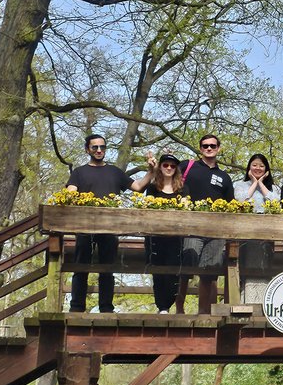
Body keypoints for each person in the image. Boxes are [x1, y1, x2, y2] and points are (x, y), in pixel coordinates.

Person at [65, 134, 154, 313]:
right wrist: (73, 197)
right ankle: (76, 308)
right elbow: (70, 192)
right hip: (84, 226)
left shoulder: (114, 172)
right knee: (81, 267)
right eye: (95, 147)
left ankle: (106, 308)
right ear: (87, 150)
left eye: (102, 147)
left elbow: (137, 187)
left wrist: (151, 171)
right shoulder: (79, 172)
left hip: (110, 227)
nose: (99, 150)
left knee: (107, 269)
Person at [177, 134, 235, 314]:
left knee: (209, 273)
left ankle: (204, 312)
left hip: (216, 231)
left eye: (212, 146)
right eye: (205, 146)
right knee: (186, 268)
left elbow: (230, 205)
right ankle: (179, 308)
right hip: (191, 228)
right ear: (200, 148)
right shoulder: (188, 166)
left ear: (218, 148)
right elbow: (167, 179)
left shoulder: (224, 177)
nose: (209, 149)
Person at [234, 153, 278, 302]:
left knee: (264, 267)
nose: (258, 168)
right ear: (249, 167)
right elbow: (241, 200)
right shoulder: (239, 185)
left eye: (261, 165)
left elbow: (275, 203)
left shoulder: (273, 187)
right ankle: (245, 301)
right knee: (246, 266)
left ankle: (262, 301)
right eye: (254, 165)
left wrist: (261, 184)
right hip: (245, 234)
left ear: (266, 169)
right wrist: (253, 182)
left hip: (266, 234)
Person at [146, 152, 185, 313]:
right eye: (166, 165)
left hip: (175, 238)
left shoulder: (182, 188)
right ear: (160, 167)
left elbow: (186, 208)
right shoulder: (152, 188)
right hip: (155, 237)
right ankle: (161, 306)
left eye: (172, 166)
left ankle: (169, 304)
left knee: (173, 273)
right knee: (158, 272)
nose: (169, 168)